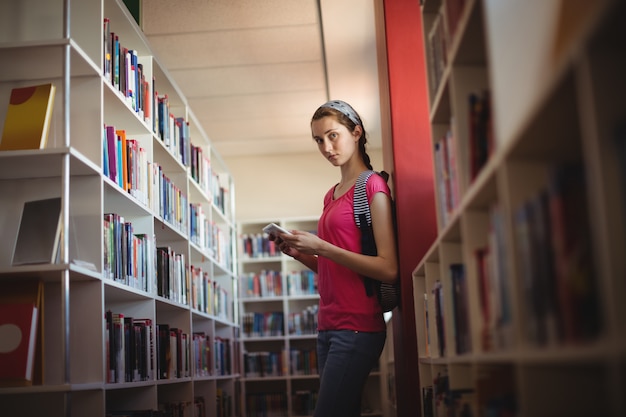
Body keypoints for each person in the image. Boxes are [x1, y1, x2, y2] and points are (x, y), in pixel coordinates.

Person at [269, 100, 398, 417]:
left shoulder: (372, 186)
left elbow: (388, 268)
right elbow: (334, 266)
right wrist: (300, 253)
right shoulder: (332, 193)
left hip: (357, 326)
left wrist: (322, 247)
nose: (326, 147)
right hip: (327, 325)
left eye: (333, 135)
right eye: (318, 140)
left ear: (356, 133)